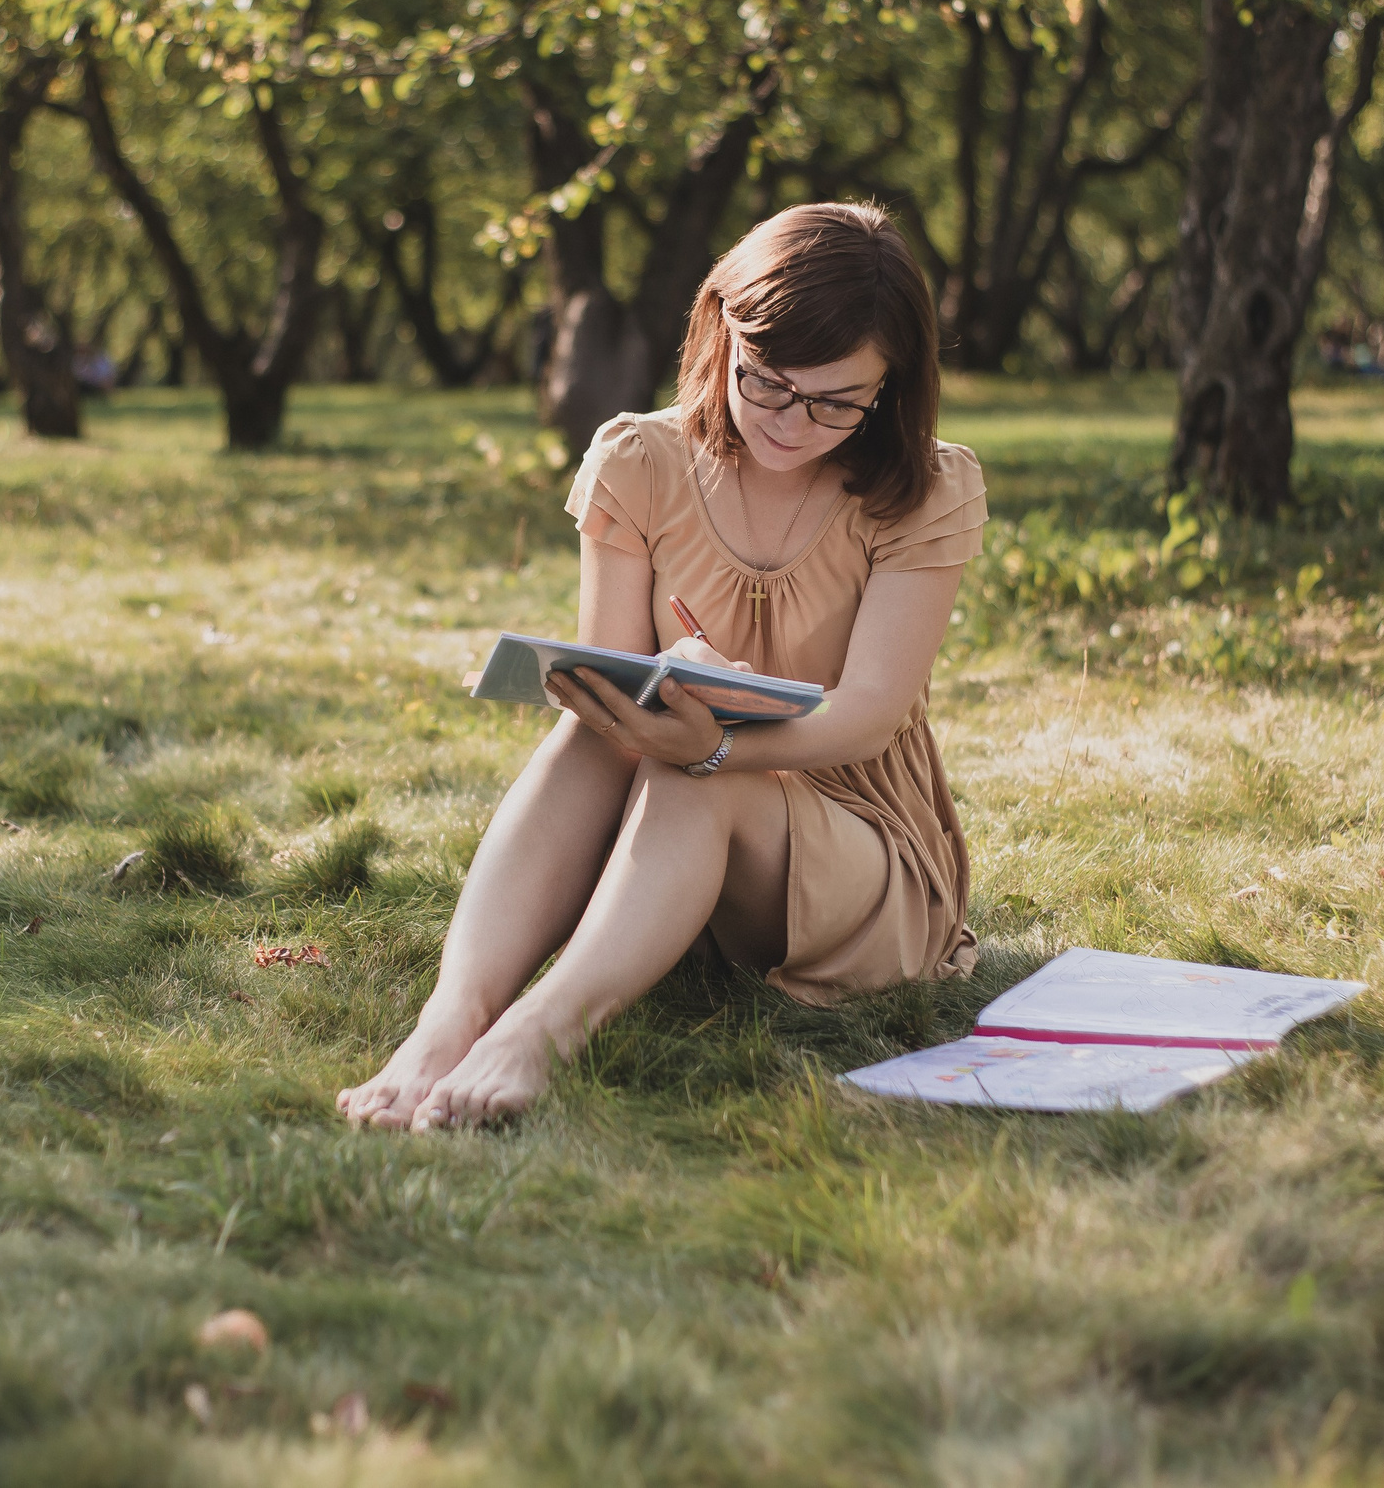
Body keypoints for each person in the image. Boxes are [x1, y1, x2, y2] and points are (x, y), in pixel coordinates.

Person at [337, 203, 988, 1131]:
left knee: (698, 769)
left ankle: (541, 1030)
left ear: (891, 386)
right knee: (595, 729)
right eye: (765, 383)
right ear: (721, 333)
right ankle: (449, 1022)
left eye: (836, 401)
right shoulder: (640, 458)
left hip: (857, 844)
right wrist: (664, 693)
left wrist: (718, 741)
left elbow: (871, 714)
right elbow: (607, 680)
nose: (792, 423)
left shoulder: (925, 486)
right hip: (667, 828)